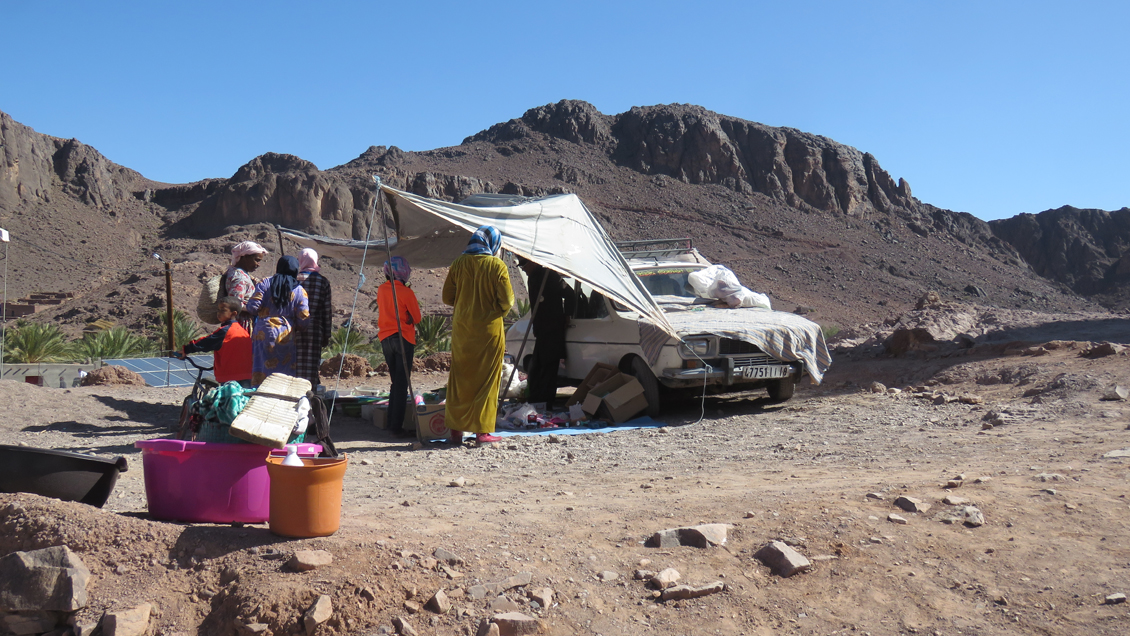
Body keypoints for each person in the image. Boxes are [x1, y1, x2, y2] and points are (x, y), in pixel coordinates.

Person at [442, 226, 514, 446]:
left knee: (460, 380)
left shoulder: (459, 264)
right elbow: (507, 301)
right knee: (487, 381)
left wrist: (465, 302)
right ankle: (483, 433)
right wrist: (493, 311)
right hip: (488, 333)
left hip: (462, 331)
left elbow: (447, 297)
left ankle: (455, 431)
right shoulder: (497, 266)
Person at [245, 255, 311, 387]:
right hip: (286, 334)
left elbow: (252, 307)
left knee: (261, 368)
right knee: (284, 372)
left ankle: (259, 394)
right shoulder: (299, 290)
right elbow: (304, 318)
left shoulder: (265, 283)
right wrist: (296, 326)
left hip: (263, 332)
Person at [377, 256, 422, 438]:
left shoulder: (381, 289)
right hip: (403, 338)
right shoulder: (406, 292)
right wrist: (408, 317)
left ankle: (391, 423)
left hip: (385, 338)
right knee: (402, 383)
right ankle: (396, 427)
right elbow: (417, 318)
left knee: (395, 382)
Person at [518, 257, 567, 406]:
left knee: (549, 368)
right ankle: (535, 400)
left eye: (525, 265)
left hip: (553, 330)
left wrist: (567, 316)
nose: (523, 269)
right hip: (540, 331)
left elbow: (569, 294)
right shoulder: (532, 279)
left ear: (533, 263)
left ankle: (546, 402)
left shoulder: (549, 275)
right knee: (537, 367)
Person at [176, 296, 252, 386]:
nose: (219, 313)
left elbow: (206, 342)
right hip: (247, 374)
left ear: (233, 313)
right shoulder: (243, 331)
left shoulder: (225, 331)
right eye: (218, 310)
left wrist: (186, 349)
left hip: (229, 376)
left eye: (223, 310)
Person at [295, 248, 333, 389]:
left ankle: (294, 393)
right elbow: (326, 311)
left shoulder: (294, 279)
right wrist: (326, 334)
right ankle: (309, 394)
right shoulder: (323, 282)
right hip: (315, 328)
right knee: (311, 364)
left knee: (295, 362)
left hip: (294, 327)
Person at [226, 241, 268, 330]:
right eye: (257, 260)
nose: (258, 264)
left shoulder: (238, 273)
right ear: (245, 257)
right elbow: (235, 304)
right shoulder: (240, 277)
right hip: (240, 324)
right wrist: (255, 309)